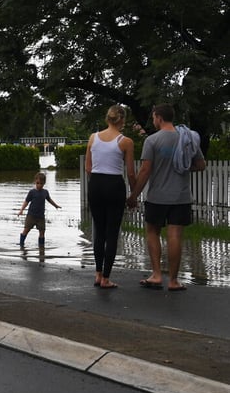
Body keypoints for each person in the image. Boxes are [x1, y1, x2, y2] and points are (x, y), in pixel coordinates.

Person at [127, 103, 206, 291]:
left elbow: (145, 170)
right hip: (181, 196)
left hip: (157, 197)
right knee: (175, 235)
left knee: (153, 232)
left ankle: (156, 275)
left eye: (154, 118)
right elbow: (201, 165)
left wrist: (133, 196)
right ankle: (173, 281)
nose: (153, 121)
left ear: (159, 118)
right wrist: (184, 167)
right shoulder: (188, 139)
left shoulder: (152, 140)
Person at [85, 105, 137, 289]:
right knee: (112, 233)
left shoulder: (93, 138)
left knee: (99, 231)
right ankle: (106, 278)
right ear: (122, 120)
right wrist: (134, 195)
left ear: (107, 119)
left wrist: (97, 182)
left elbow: (88, 167)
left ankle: (98, 274)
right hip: (114, 185)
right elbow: (130, 173)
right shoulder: (126, 142)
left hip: (96, 184)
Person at [17, 172, 61, 248]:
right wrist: (21, 210)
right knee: (26, 230)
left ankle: (41, 248)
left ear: (44, 183)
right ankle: (21, 245)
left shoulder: (45, 192)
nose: (39, 185)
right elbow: (26, 202)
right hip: (31, 216)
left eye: (41, 183)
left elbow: (49, 199)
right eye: (37, 183)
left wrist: (56, 206)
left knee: (42, 232)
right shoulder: (32, 192)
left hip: (41, 217)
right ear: (35, 182)